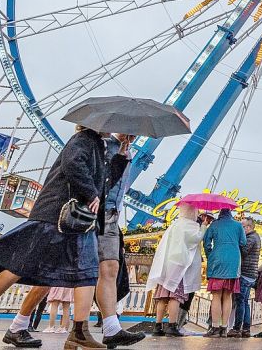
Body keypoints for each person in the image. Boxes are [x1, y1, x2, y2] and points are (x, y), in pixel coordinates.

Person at [0, 125, 110, 350]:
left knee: (87, 273)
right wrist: (91, 193)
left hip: (79, 221)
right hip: (56, 216)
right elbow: (73, 164)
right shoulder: (83, 139)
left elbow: (105, 186)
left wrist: (123, 156)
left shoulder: (99, 147)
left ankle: (79, 331)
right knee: (17, 268)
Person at [95, 133, 145, 348]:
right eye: (130, 131)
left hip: (112, 215)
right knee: (62, 274)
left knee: (111, 268)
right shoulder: (104, 146)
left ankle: (111, 328)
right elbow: (100, 179)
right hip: (95, 213)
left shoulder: (128, 152)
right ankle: (19, 322)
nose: (133, 135)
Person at [146, 202, 206, 337]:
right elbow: (195, 239)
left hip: (166, 266)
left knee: (162, 296)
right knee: (175, 297)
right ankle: (172, 326)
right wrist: (203, 226)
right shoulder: (190, 226)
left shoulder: (175, 224)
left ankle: (157, 326)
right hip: (179, 267)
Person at [201, 206, 246, 338]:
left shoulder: (214, 225)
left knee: (216, 296)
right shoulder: (238, 226)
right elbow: (243, 242)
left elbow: (206, 243)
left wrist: (211, 255)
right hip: (233, 263)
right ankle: (224, 328)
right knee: (228, 296)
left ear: (220, 214)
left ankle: (215, 327)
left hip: (217, 261)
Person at [230, 217, 261, 338]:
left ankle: (237, 328)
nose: (240, 228)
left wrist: (237, 242)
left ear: (248, 227)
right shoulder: (255, 237)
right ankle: (246, 328)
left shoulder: (250, 238)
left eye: (242, 226)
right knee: (245, 302)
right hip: (250, 274)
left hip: (245, 273)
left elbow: (243, 251)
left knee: (240, 302)